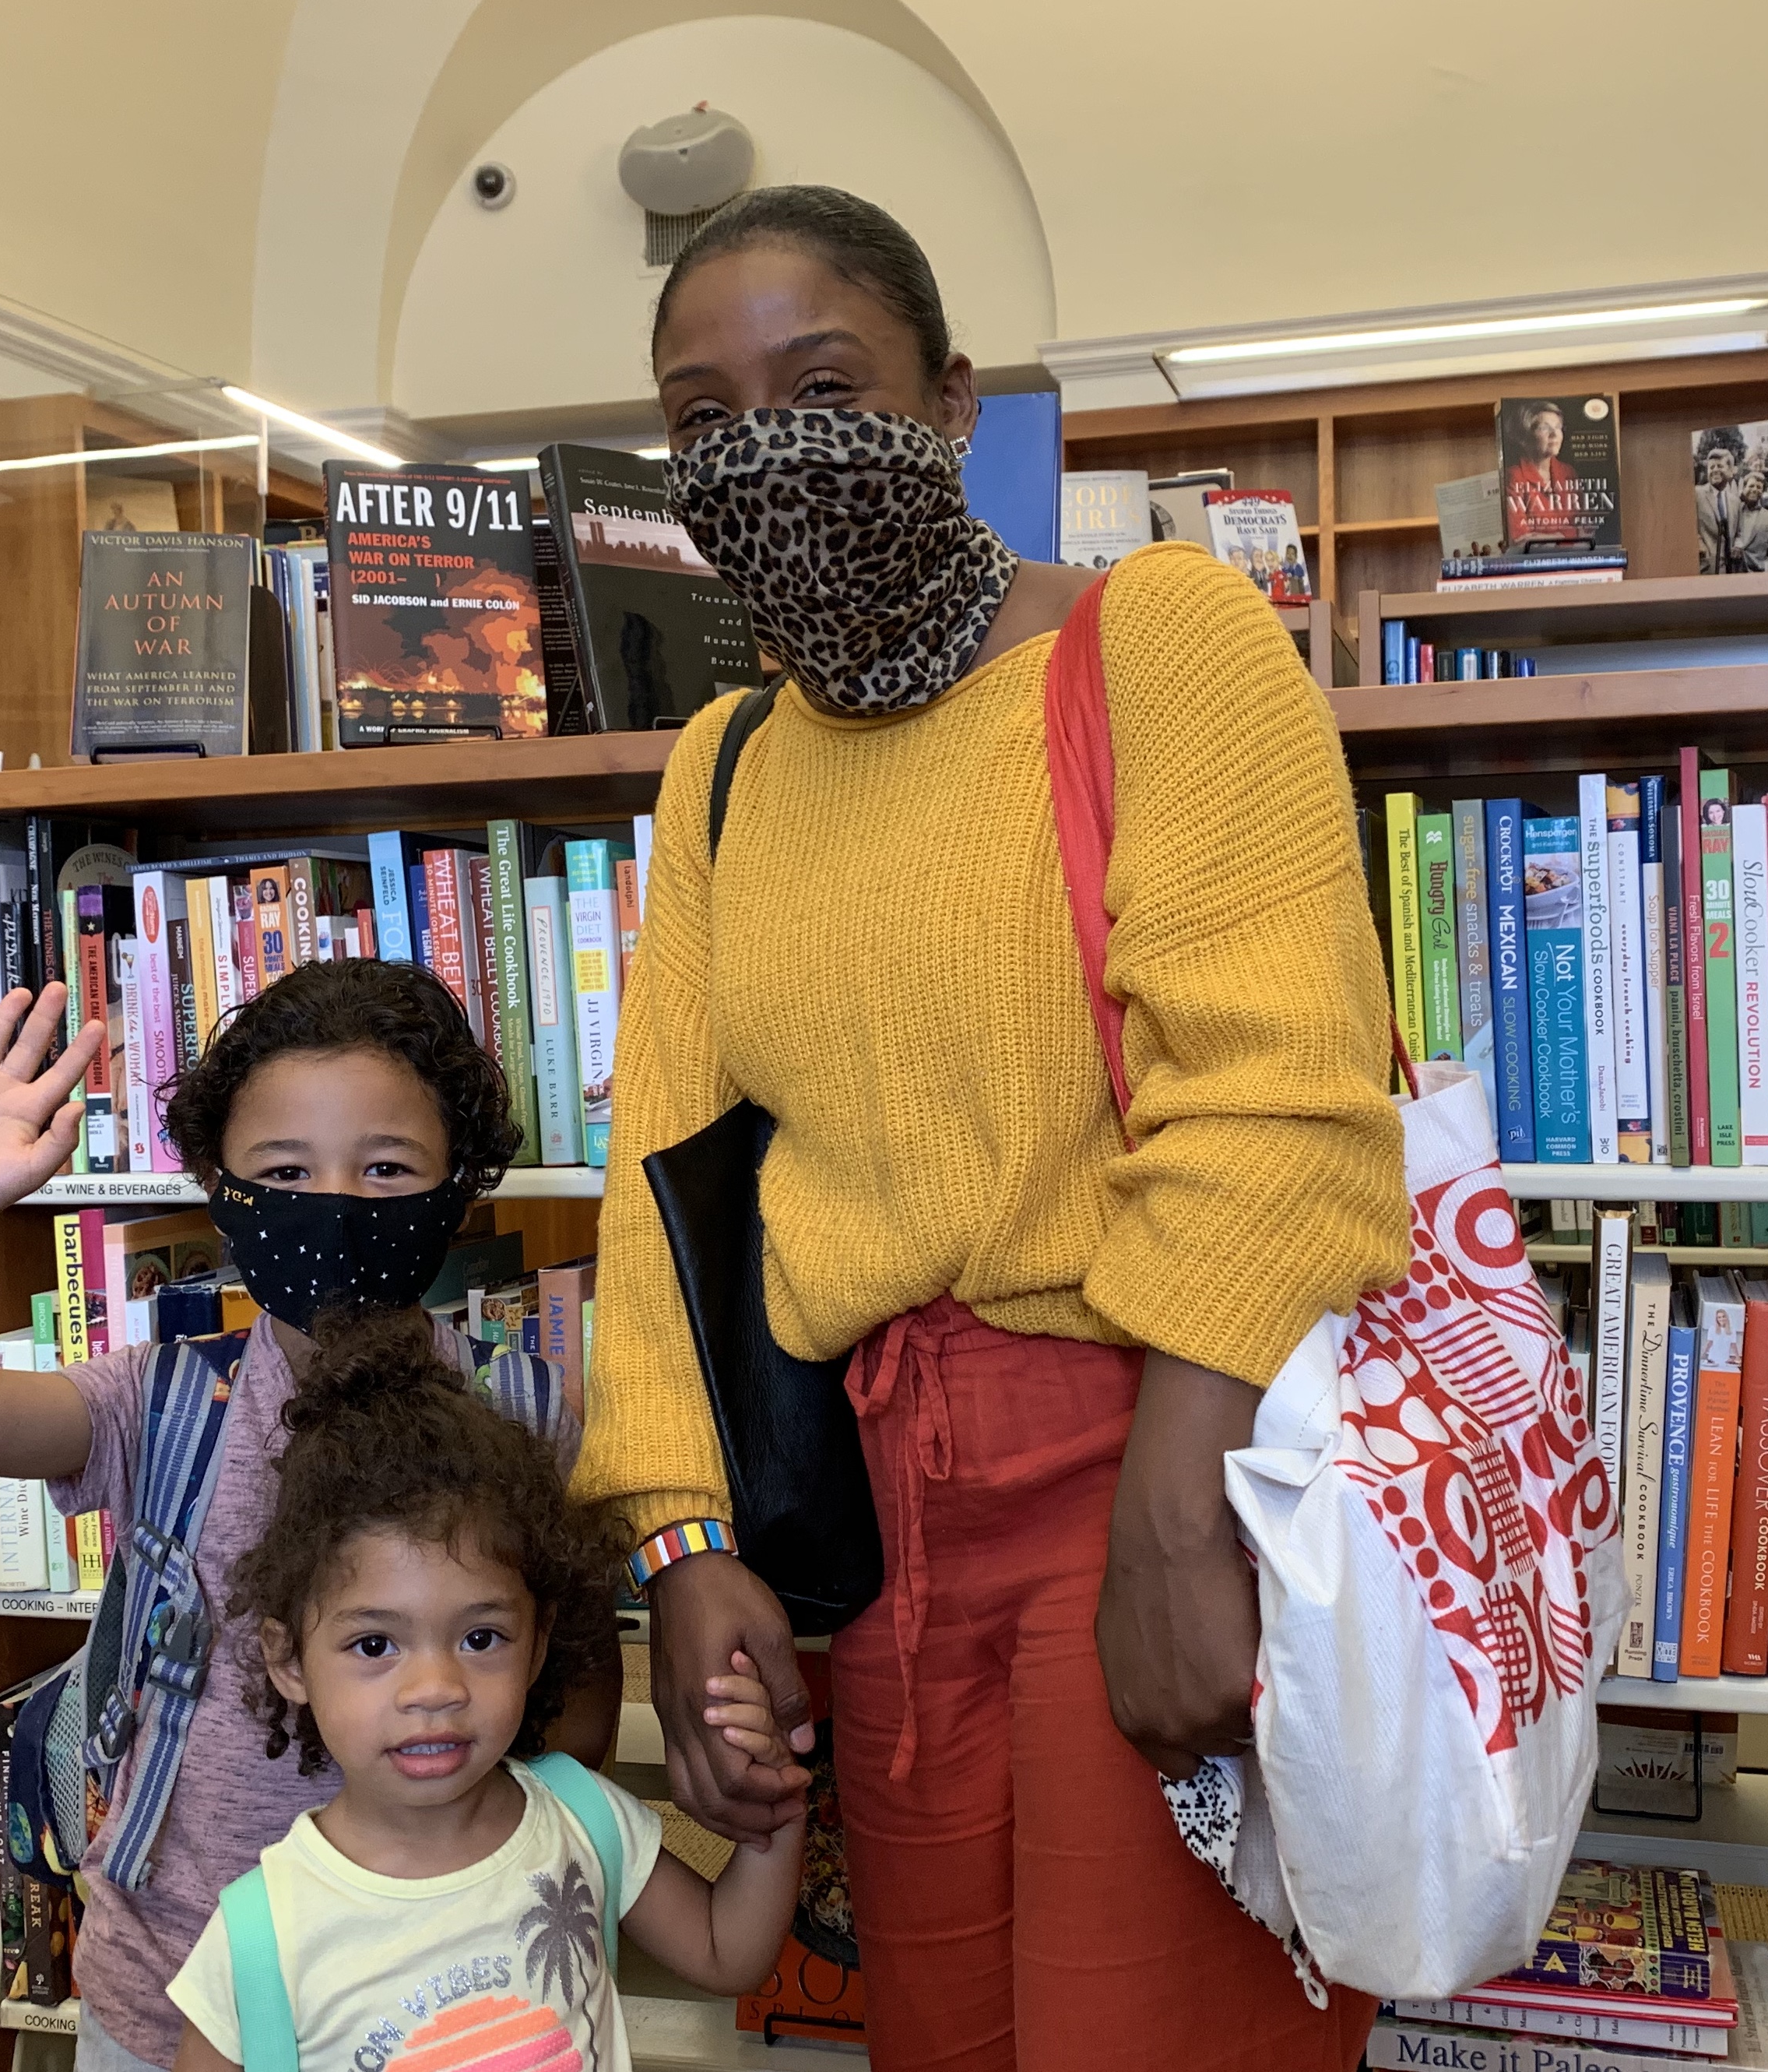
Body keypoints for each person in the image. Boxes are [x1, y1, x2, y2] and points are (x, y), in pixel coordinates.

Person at [578, 185, 1405, 2070]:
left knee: (1160, 2033)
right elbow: (667, 1190)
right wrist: (683, 1537)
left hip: (1152, 1443)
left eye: (823, 383)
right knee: (941, 2029)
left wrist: (1172, 1515)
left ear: (953, 407)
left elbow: (1280, 1087)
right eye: (702, 420)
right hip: (873, 1520)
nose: (762, 449)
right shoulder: (720, 770)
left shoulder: (1161, 642)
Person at [0, 959, 617, 2072]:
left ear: (460, 1185)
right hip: (170, 1977)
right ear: (222, 1188)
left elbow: (581, 1692)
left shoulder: (532, 1414)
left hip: (445, 1984)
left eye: (387, 1166)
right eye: (286, 1169)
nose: (338, 1203)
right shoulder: (158, 1399)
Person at [163, 1314, 805, 2071]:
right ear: (290, 1661)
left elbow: (728, 1951)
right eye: (375, 1645)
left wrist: (778, 1804)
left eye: (480, 1639)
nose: (435, 1688)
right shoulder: (259, 1934)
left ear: (539, 1642)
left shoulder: (582, 1816)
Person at [1696, 434, 1742, 574]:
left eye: (1720, 466)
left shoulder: (1735, 501)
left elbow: (1739, 532)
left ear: (1730, 471)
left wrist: (1738, 546)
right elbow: (1685, 525)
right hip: (1705, 568)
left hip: (1730, 569)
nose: (1715, 470)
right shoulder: (1696, 494)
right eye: (1711, 467)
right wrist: (1698, 543)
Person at [1731, 465, 1768, 572]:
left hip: (1759, 573)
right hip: (1734, 571)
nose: (1755, 490)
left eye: (1759, 487)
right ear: (1744, 488)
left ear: (1763, 492)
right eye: (1751, 486)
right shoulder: (1734, 511)